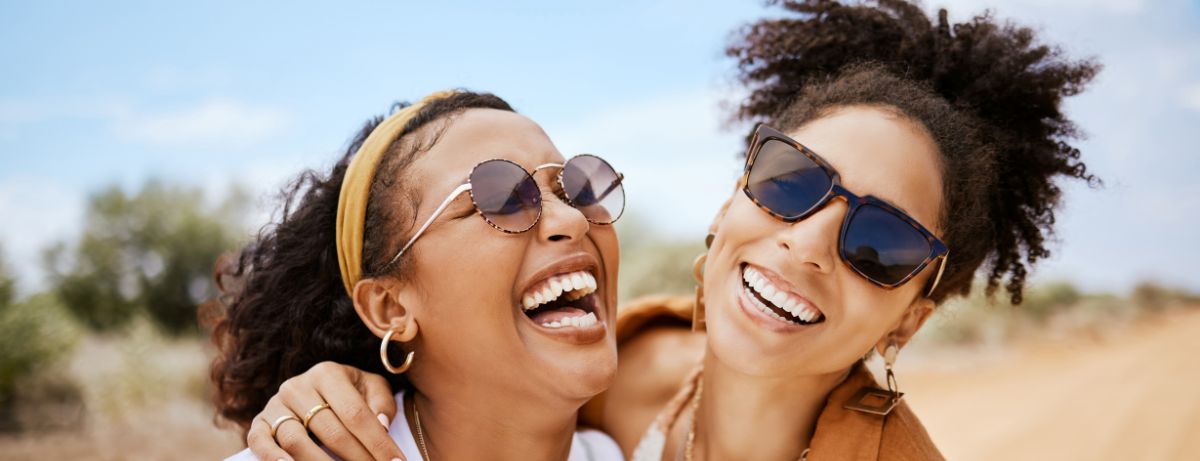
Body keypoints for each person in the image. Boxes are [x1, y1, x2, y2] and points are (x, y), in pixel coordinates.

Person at [242, 1, 1099, 459]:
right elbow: (473, 358)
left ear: (911, 314)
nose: (808, 242)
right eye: (791, 182)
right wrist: (337, 382)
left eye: (883, 243)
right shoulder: (621, 375)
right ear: (732, 202)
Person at [209, 90, 628, 461]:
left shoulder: (622, 447)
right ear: (390, 308)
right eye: (499, 198)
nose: (572, 218)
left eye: (574, 189)